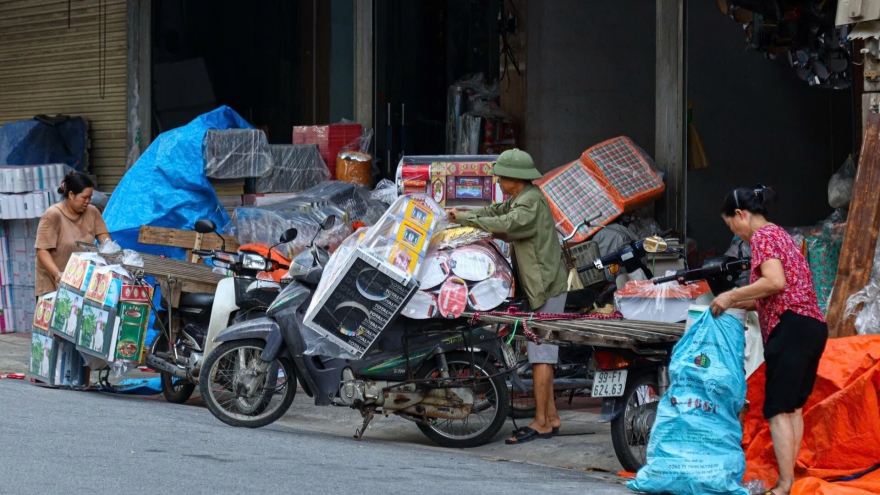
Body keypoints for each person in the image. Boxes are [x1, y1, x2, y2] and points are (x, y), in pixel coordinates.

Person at [710, 185, 827, 495]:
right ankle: (792, 478)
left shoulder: (762, 237)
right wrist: (730, 302)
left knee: (777, 408)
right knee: (793, 408)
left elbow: (774, 282)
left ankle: (784, 484)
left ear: (740, 214)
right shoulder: (780, 235)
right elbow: (771, 293)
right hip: (812, 326)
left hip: (791, 327)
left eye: (731, 225)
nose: (735, 233)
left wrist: (731, 293)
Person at [448, 148, 568, 445]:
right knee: (542, 354)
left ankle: (540, 423)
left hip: (547, 286)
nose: (499, 181)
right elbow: (496, 214)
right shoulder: (521, 199)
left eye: (501, 177)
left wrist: (467, 218)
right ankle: (550, 417)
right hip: (540, 285)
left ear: (515, 177)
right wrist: (463, 215)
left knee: (542, 356)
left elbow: (508, 225)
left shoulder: (530, 203)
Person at [35, 171, 111, 297]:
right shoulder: (53, 215)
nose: (88, 201)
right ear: (71, 195)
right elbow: (42, 251)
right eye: (84, 197)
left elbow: (105, 240)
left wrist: (112, 254)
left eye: (90, 197)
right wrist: (58, 275)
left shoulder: (92, 212)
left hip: (79, 282)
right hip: (52, 285)